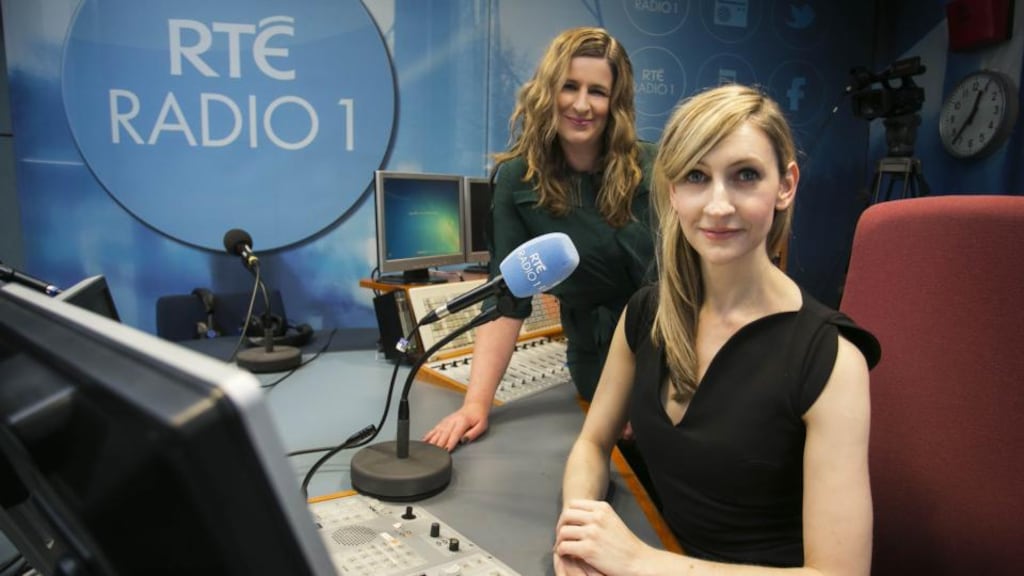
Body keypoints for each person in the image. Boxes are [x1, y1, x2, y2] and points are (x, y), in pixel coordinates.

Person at [552, 84, 882, 575]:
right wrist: (577, 533)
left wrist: (641, 562)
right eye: (696, 177)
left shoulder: (832, 359)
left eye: (745, 175)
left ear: (786, 185)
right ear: (672, 191)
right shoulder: (646, 314)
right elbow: (593, 443)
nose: (718, 205)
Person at [423, 27, 658, 451]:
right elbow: (506, 299)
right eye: (569, 86)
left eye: (598, 91)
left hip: (666, 358)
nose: (582, 104)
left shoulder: (655, 169)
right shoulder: (516, 180)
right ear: (548, 91)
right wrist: (476, 405)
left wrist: (653, 391)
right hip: (595, 361)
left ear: (616, 103)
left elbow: (691, 289)